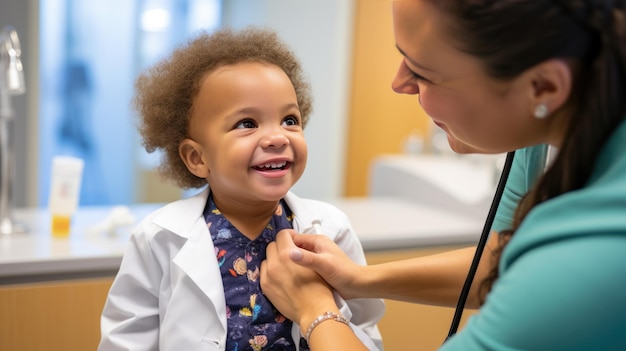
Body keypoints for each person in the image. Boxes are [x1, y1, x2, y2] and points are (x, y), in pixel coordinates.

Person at [260, 1, 626, 350]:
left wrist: (314, 310)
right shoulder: (543, 130)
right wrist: (360, 280)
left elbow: (547, 279)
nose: (399, 83)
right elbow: (503, 256)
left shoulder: (603, 252)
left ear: (543, 87)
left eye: (421, 71)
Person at [98, 27, 384, 351]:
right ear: (197, 158)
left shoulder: (331, 230)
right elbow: (125, 341)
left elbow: (363, 328)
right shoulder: (159, 238)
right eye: (247, 123)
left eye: (290, 119)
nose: (278, 137)